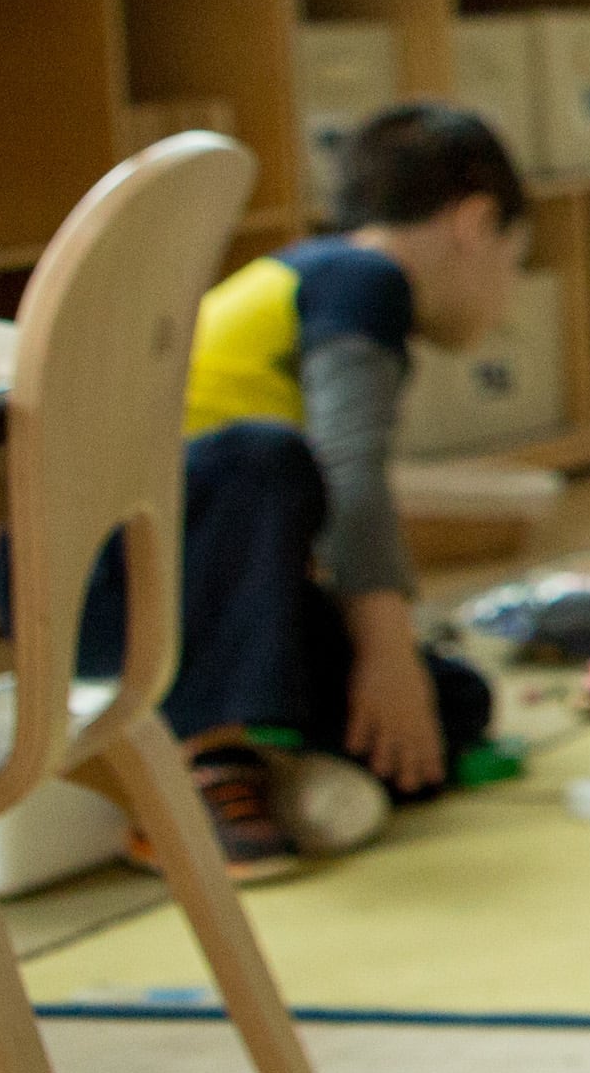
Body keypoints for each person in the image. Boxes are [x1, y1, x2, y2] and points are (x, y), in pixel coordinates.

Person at [80, 104, 521, 867]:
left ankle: (274, 771)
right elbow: (350, 473)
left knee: (453, 702)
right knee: (267, 457)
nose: (507, 295)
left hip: (183, 594)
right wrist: (385, 652)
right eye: (516, 263)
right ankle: (209, 764)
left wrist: (398, 669)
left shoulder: (326, 282)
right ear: (475, 224)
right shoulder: (361, 278)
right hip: (115, 581)